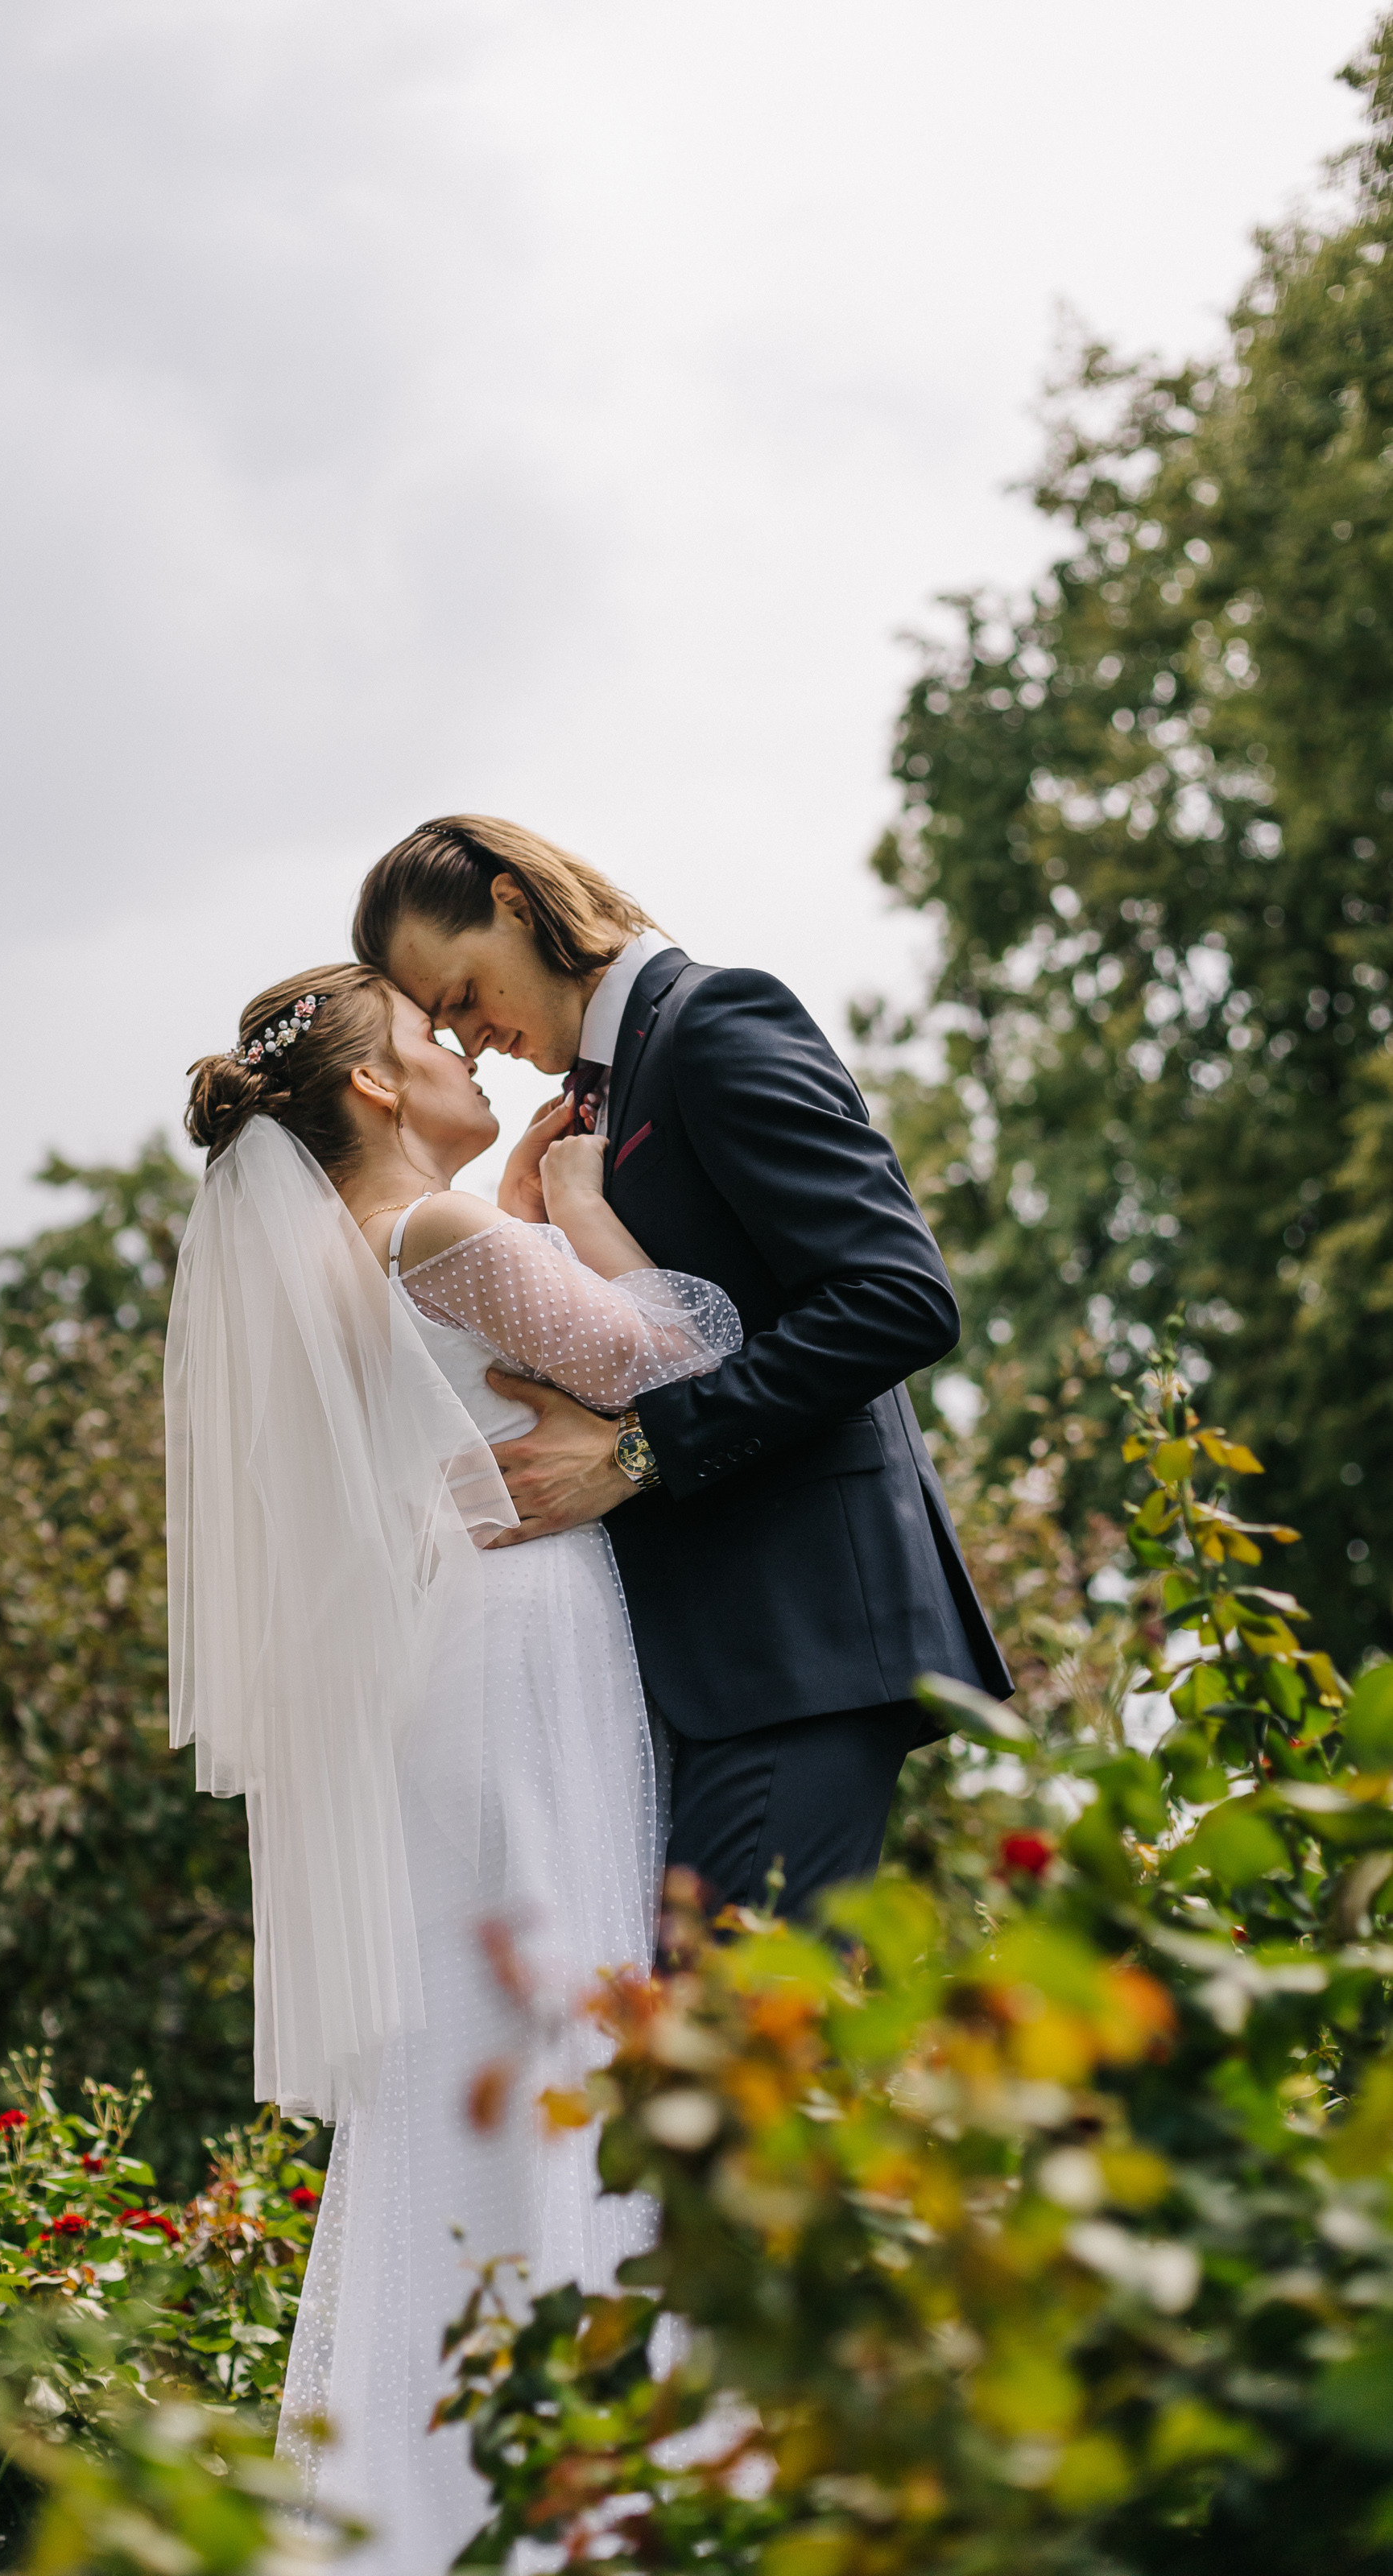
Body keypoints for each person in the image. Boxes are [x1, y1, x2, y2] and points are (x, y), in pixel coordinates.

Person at [166, 962, 740, 2574]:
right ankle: (575, 2489)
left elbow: (480, 1351)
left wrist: (510, 1199)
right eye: (430, 1037)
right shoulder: (425, 1236)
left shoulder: (367, 1256)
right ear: (369, 1089)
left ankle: (444, 2500)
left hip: (452, 1656)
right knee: (559, 2019)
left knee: (478, 2053)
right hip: (519, 1649)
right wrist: (574, 1199)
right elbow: (673, 1355)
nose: (462, 1049)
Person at [353, 815, 1013, 1920]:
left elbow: (896, 1299)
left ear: (515, 902)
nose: (468, 1040)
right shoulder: (603, 1095)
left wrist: (638, 1453)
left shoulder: (713, 1020)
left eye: (463, 995)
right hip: (718, 1661)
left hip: (803, 1638)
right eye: (445, 1026)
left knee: (727, 2043)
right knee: (707, 2055)